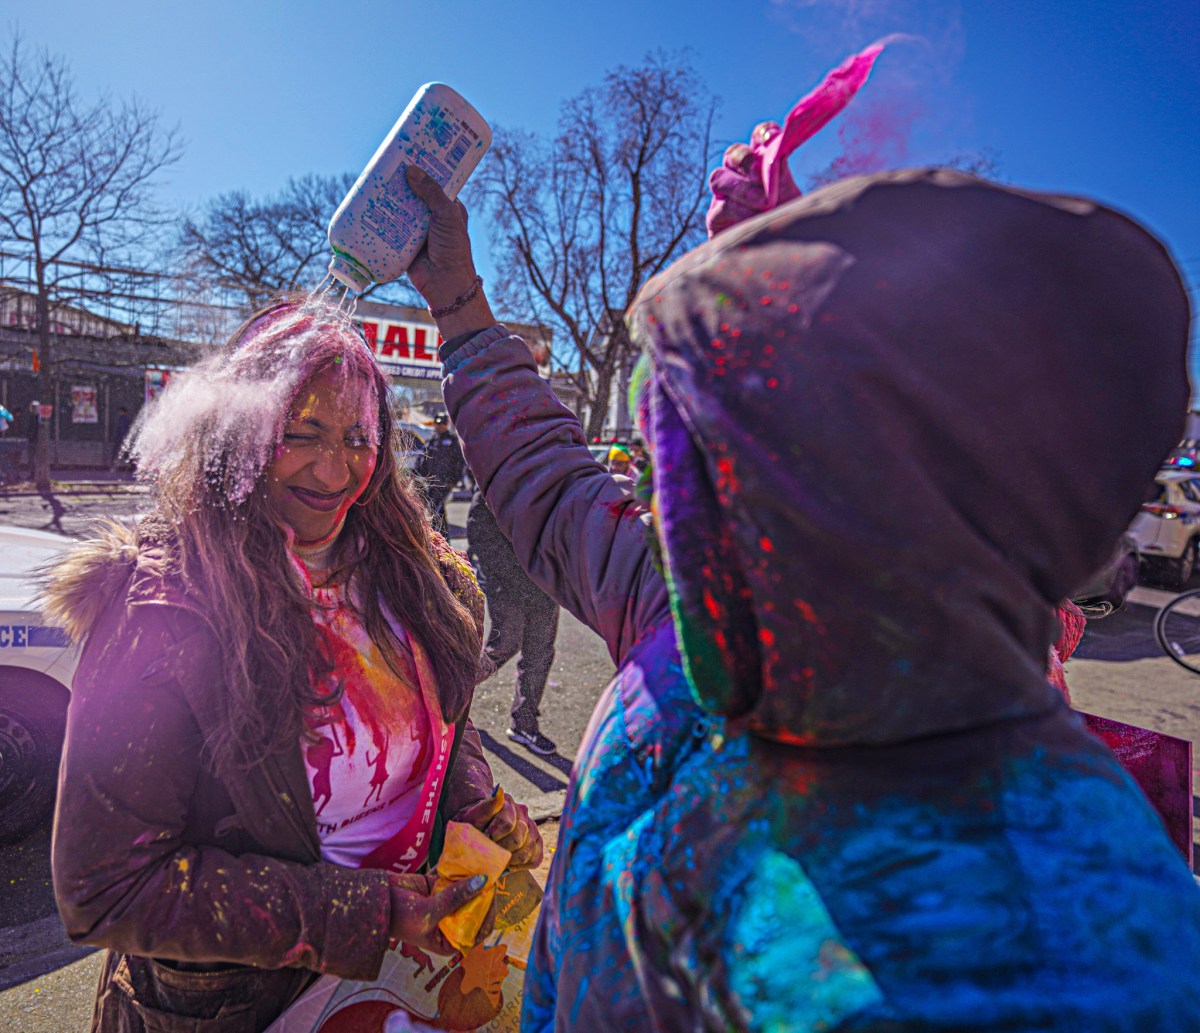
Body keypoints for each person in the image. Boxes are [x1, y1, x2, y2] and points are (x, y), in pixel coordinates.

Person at [402, 146, 1200, 1031]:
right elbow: (552, 483)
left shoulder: (1087, 942)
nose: (662, 496)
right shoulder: (701, 606)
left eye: (720, 445)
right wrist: (462, 307)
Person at [40, 297, 541, 1033]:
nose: (335, 469)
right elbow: (106, 888)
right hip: (227, 1008)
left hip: (403, 984)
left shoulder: (413, 571)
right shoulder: (162, 610)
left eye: (356, 437)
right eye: (302, 434)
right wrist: (372, 912)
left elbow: (441, 717)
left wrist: (473, 804)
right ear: (238, 435)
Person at [468, 489, 560, 755]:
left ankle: (524, 724)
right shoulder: (496, 478)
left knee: (539, 654)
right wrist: (511, 579)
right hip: (508, 586)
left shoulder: (550, 478)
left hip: (543, 585)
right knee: (503, 647)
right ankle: (445, 697)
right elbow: (480, 534)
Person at [414, 411, 464, 536]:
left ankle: (438, 537)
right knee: (436, 511)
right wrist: (414, 474)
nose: (439, 426)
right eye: (437, 424)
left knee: (436, 509)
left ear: (446, 424)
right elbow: (422, 460)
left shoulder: (452, 441)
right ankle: (442, 539)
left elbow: (459, 462)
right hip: (431, 483)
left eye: (442, 423)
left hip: (445, 483)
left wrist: (454, 481)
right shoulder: (432, 441)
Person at [111, 405, 133, 472]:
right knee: (125, 453)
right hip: (122, 438)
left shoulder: (124, 419)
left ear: (123, 412)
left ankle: (131, 466)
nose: (119, 413)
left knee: (124, 453)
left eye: (120, 411)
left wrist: (122, 439)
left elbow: (123, 430)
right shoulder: (123, 419)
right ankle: (130, 465)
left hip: (122, 439)